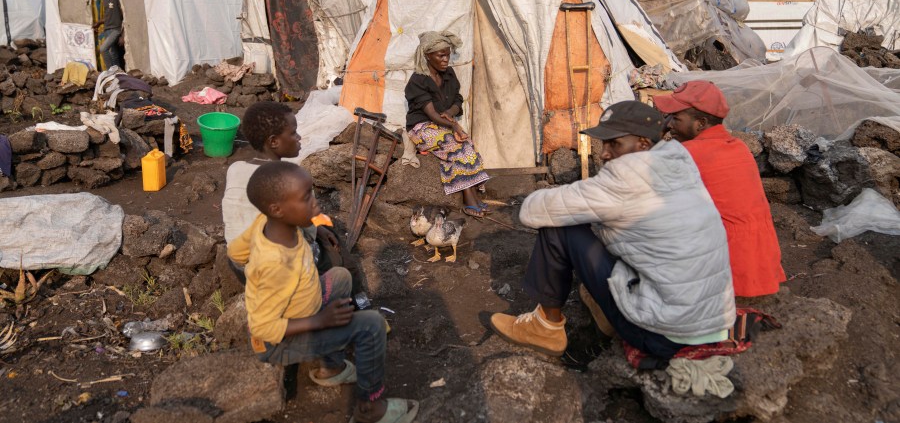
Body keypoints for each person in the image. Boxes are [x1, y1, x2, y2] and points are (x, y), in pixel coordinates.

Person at [490, 101, 735, 359]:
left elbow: (531, 211)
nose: (604, 153)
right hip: (713, 324)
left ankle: (545, 327)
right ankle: (603, 310)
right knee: (608, 227)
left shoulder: (626, 177)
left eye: (614, 144)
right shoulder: (679, 163)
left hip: (663, 335)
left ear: (642, 144)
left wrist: (579, 198)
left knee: (560, 227)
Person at [228, 162, 418, 423]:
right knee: (371, 326)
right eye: (307, 198)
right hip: (279, 343)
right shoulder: (275, 264)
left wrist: (314, 229)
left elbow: (235, 253)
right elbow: (262, 327)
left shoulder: (267, 222)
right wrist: (319, 320)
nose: (316, 206)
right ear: (277, 209)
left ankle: (331, 367)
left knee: (339, 277)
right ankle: (369, 410)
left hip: (303, 310)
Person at [654, 80, 786, 297]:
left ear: (700, 123)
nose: (668, 124)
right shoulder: (738, 147)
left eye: (675, 118)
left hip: (727, 269)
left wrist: (654, 137)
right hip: (760, 263)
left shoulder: (687, 153)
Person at [222, 101, 360, 292]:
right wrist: (318, 230)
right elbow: (306, 231)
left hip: (240, 267)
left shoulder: (235, 169)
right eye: (293, 133)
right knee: (337, 251)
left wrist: (315, 228)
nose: (299, 137)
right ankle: (349, 300)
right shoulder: (291, 178)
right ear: (273, 142)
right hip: (277, 275)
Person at [404, 31, 490, 219]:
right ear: (427, 55)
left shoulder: (449, 74)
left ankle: (473, 196)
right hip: (422, 128)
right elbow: (432, 115)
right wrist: (455, 126)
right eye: (440, 55)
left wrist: (450, 113)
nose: (445, 60)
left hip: (442, 124)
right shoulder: (418, 80)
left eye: (448, 55)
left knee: (467, 144)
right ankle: (469, 201)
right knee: (454, 145)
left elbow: (458, 99)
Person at [92, 0, 124, 70]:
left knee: (103, 48)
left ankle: (110, 71)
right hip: (107, 28)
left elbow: (124, 14)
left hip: (116, 29)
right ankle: (119, 72)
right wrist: (99, 22)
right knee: (113, 53)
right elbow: (109, 15)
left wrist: (123, 34)